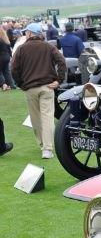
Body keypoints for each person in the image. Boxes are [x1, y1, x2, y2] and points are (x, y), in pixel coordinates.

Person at [11, 23, 66, 159]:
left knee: (36, 119)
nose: (25, 34)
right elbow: (62, 62)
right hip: (47, 87)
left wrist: (21, 84)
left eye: (26, 32)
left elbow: (14, 69)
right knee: (47, 117)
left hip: (30, 88)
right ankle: (47, 149)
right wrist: (59, 80)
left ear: (30, 34)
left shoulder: (21, 49)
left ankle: (43, 145)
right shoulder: (49, 47)